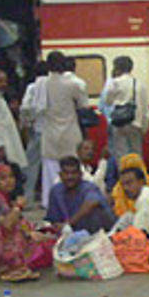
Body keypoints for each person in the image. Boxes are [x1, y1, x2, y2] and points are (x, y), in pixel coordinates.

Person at [0, 164, 54, 281]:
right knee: (13, 231)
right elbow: (7, 225)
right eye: (3, 178)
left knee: (46, 244)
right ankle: (14, 269)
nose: (9, 181)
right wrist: (18, 207)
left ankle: (4, 269)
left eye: (11, 177)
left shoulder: (6, 201)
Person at [41, 52, 88, 210]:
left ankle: (50, 205)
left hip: (49, 134)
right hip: (70, 132)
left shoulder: (42, 84)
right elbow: (83, 106)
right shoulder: (74, 84)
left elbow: (31, 108)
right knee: (73, 170)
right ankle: (74, 202)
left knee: (50, 172)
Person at [44, 155, 116, 233]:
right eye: (66, 173)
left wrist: (69, 224)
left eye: (74, 173)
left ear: (80, 175)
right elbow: (53, 219)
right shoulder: (56, 191)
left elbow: (92, 202)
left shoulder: (88, 187)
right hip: (72, 233)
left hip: (99, 231)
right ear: (60, 175)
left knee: (94, 212)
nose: (70, 177)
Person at [102, 56, 148, 162]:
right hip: (136, 124)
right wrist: (144, 128)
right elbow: (145, 110)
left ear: (117, 68)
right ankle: (138, 176)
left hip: (119, 123)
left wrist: (112, 78)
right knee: (137, 155)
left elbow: (108, 101)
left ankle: (124, 176)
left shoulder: (115, 82)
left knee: (121, 156)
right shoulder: (140, 84)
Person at [20, 61, 49, 207]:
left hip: (37, 129)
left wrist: (27, 123)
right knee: (50, 165)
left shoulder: (32, 87)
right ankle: (48, 197)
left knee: (31, 164)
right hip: (52, 131)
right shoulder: (52, 85)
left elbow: (25, 107)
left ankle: (28, 197)